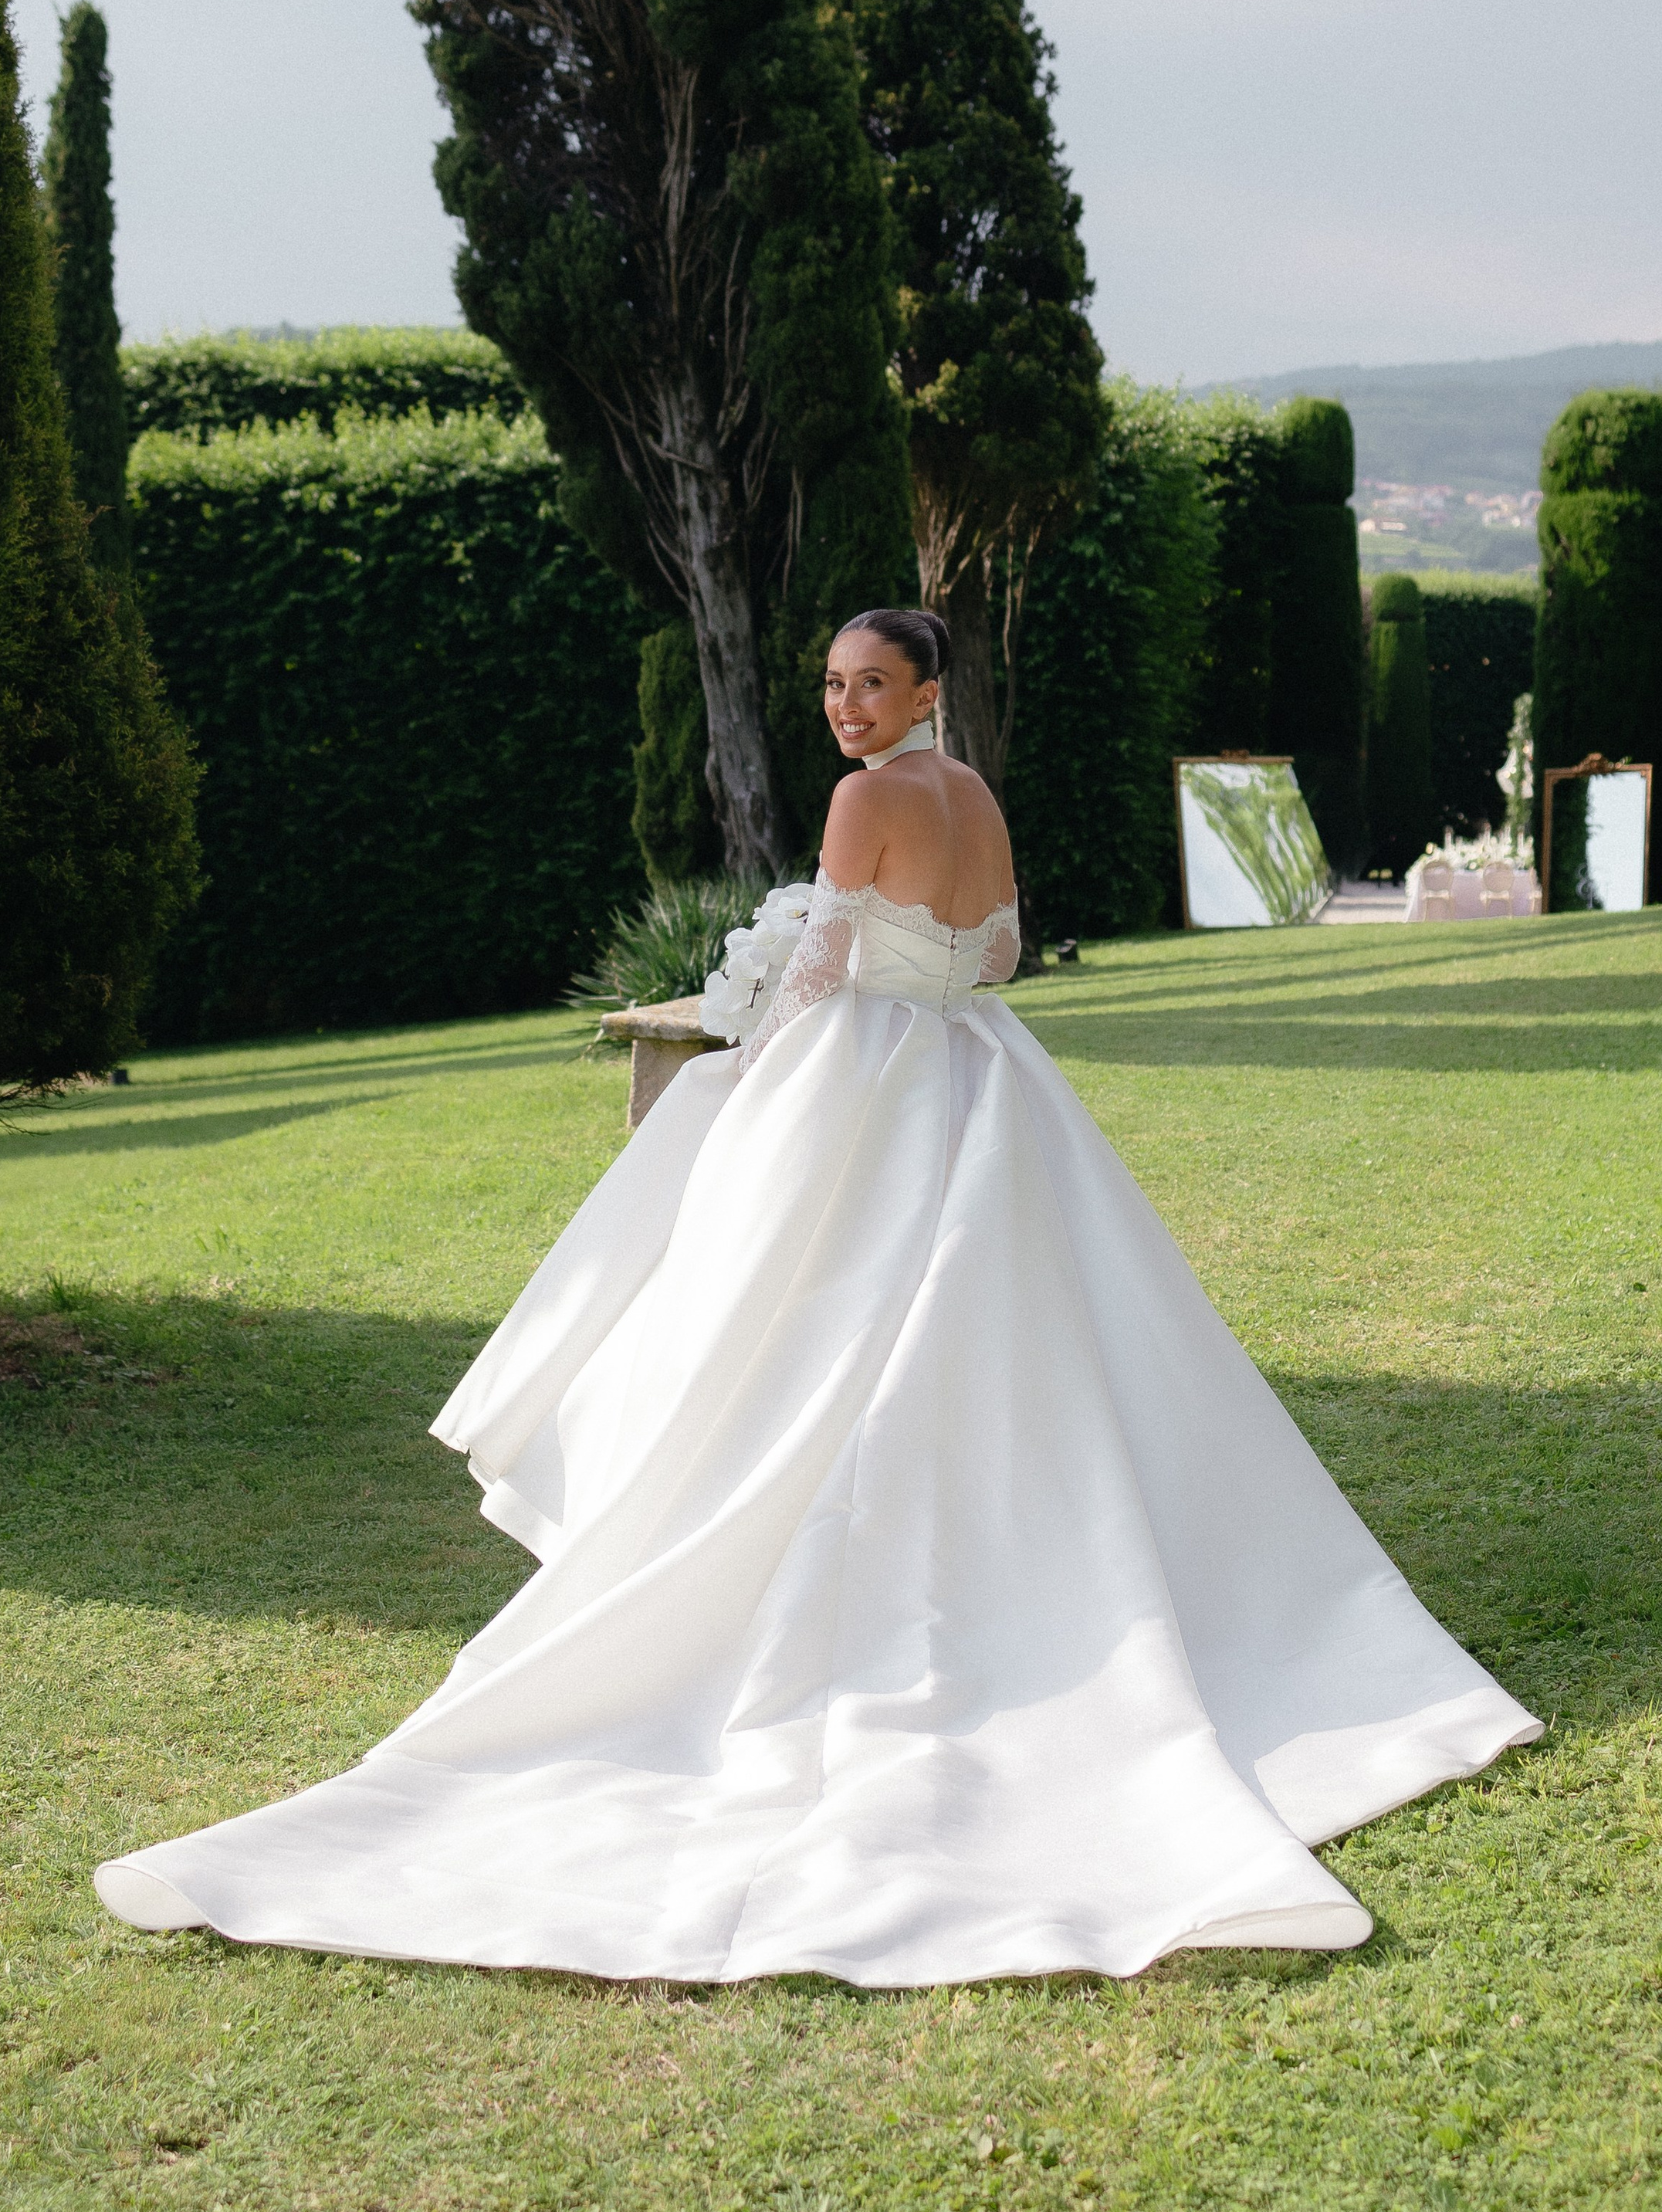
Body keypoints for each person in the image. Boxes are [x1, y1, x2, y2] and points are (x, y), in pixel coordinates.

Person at [95, 607, 1538, 1983]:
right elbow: (1004, 954)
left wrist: (757, 1056)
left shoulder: (866, 803)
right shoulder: (973, 791)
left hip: (874, 1077)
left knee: (789, 1313)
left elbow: (828, 965)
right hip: (987, 1072)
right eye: (834, 687)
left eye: (870, 686)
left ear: (924, 692)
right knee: (1006, 1339)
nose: (846, 708)